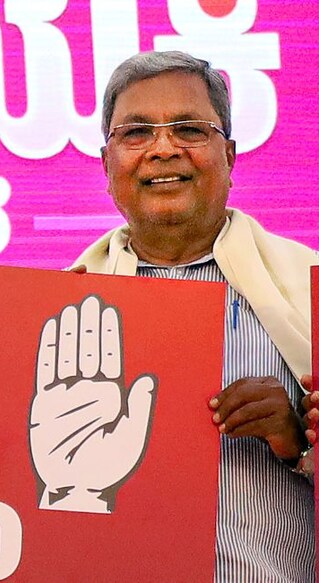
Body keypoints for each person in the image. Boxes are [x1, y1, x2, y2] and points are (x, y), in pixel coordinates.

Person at [72, 50, 316, 580]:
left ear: (229, 155)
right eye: (137, 133)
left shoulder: (309, 292)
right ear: (107, 165)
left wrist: (298, 441)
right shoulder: (60, 312)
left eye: (189, 129)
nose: (163, 149)